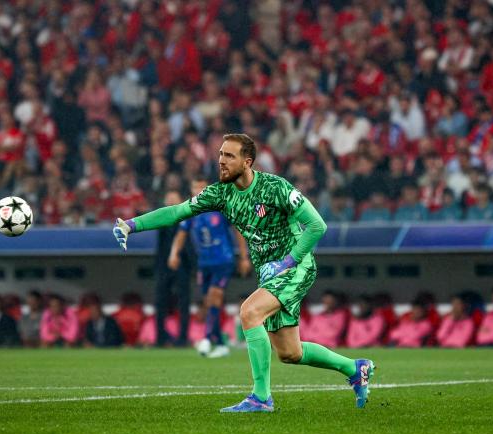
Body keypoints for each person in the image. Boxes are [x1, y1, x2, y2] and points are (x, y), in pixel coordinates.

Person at [114, 133, 374, 412]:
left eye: (229, 156)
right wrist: (132, 224)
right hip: (268, 272)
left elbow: (317, 226)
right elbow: (178, 212)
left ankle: (261, 398)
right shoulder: (220, 193)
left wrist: (288, 261)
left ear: (247, 162)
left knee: (249, 312)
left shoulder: (276, 188)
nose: (221, 161)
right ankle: (353, 367)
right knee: (289, 352)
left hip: (296, 265)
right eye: (220, 155)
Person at [167, 174, 252, 358]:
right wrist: (174, 254)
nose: (198, 191)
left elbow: (238, 231)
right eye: (195, 187)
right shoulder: (190, 211)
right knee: (210, 302)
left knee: (215, 295)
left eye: (201, 187)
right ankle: (221, 344)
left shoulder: (220, 206)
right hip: (204, 263)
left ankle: (206, 338)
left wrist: (244, 257)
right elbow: (181, 234)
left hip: (224, 260)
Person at [154, 190, 193, 346]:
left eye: (173, 198)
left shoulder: (186, 218)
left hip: (182, 265)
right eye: (168, 198)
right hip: (164, 266)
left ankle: (182, 338)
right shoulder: (161, 219)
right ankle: (160, 338)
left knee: (184, 303)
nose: (170, 201)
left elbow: (189, 246)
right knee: (160, 302)